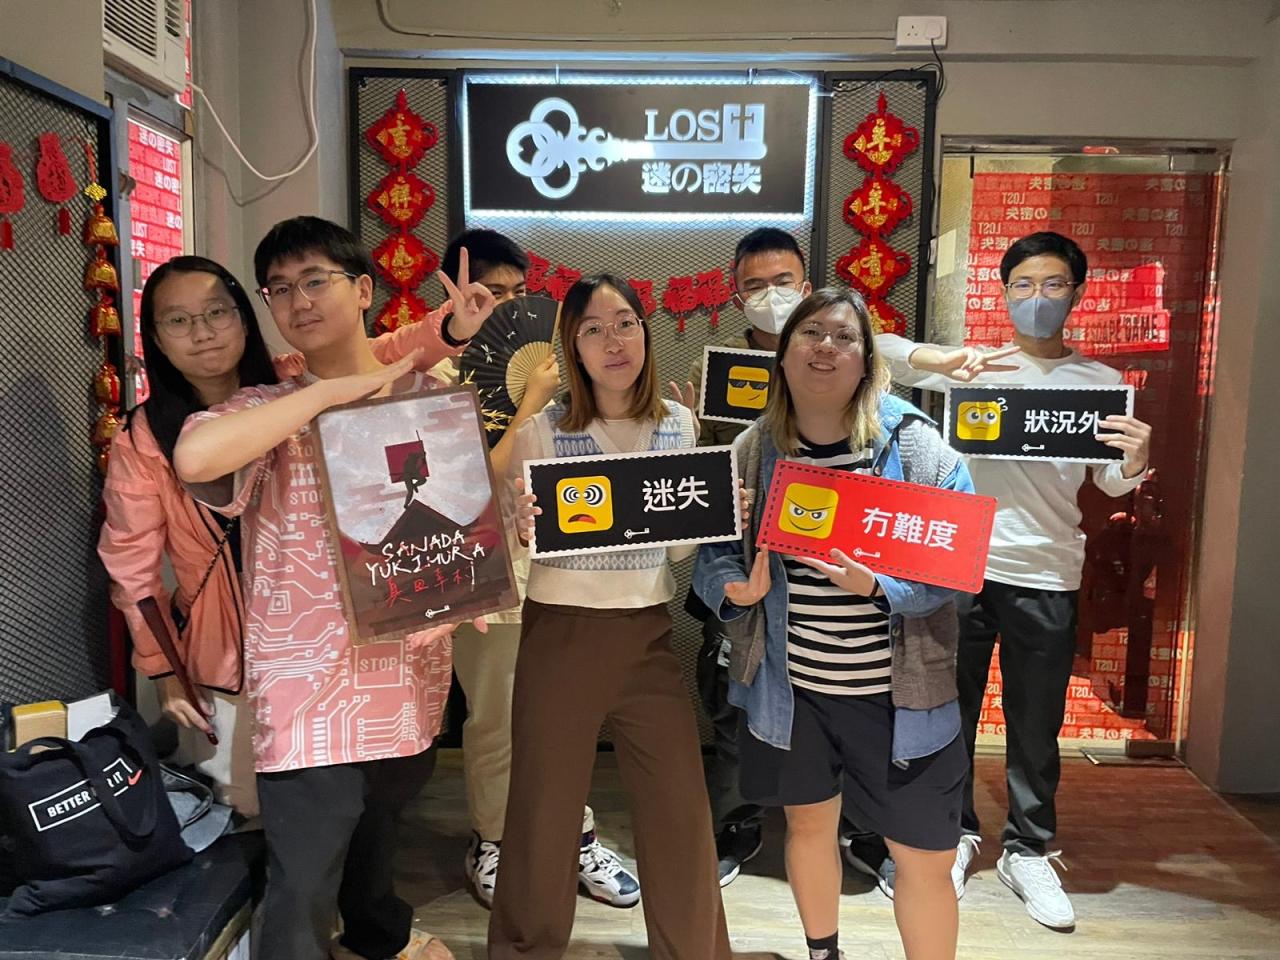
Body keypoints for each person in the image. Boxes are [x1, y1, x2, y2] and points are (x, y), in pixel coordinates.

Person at [173, 216, 499, 960]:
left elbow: (458, 517)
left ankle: (379, 937)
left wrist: (492, 541)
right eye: (279, 288)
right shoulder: (265, 408)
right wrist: (329, 395)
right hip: (308, 684)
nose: (298, 300)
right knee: (302, 882)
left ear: (362, 290)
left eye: (315, 280)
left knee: (376, 836)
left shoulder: (428, 397)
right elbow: (195, 457)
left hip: (408, 673)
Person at [98, 254, 458, 820]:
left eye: (217, 312)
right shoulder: (144, 438)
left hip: (325, 635)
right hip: (229, 648)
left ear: (245, 318)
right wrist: (165, 669)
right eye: (179, 320)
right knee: (248, 805)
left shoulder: (286, 382)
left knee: (353, 801)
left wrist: (451, 328)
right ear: (157, 339)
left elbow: (387, 351)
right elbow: (131, 567)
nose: (202, 332)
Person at [876, 230, 1152, 929]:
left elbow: (1111, 484)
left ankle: (1029, 849)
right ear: (1003, 293)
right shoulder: (976, 367)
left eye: (1053, 284)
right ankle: (954, 835)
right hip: (961, 567)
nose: (1037, 297)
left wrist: (1135, 460)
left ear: (1076, 293)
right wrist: (940, 358)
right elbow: (871, 348)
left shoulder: (1099, 384)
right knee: (949, 715)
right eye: (1023, 285)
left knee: (1036, 723)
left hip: (1048, 569)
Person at [693, 287, 973, 960]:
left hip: (900, 698)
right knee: (809, 828)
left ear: (868, 359)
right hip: (794, 696)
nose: (826, 346)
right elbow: (714, 555)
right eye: (810, 332)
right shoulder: (751, 450)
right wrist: (733, 588)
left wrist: (880, 586)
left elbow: (959, 565)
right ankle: (824, 953)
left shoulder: (918, 448)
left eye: (845, 336)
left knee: (925, 856)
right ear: (783, 354)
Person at [490, 274, 732, 960]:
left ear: (645, 332)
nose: (612, 340)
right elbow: (512, 546)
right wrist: (520, 527)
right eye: (591, 329)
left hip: (647, 636)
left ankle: (694, 952)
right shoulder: (542, 430)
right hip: (559, 636)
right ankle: (525, 950)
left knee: (678, 808)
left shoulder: (677, 423)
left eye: (624, 322)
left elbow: (677, 550)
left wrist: (716, 505)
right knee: (544, 811)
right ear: (572, 346)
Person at [439, 230, 639, 909]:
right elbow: (469, 486)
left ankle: (575, 837)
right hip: (485, 572)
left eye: (518, 293)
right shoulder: (443, 380)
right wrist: (529, 405)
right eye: (490, 292)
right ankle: (494, 840)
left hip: (561, 568)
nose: (507, 306)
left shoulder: (554, 365)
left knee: (566, 713)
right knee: (497, 717)